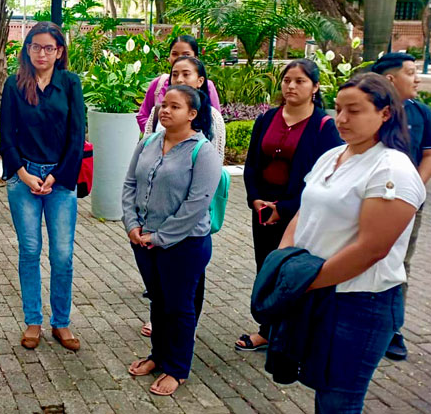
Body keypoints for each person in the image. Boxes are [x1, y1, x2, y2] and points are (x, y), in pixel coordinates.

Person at [278, 73, 424, 412]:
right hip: (319, 291)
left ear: (385, 113)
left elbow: (372, 249)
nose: (341, 119)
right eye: (339, 109)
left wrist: (303, 281)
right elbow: (304, 211)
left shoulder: (392, 170)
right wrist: (283, 261)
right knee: (322, 386)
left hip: (360, 303)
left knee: (339, 399)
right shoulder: (333, 156)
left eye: (354, 111)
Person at [235, 59, 342, 351]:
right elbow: (252, 164)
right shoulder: (267, 119)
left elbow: (326, 178)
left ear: (315, 87)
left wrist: (285, 208)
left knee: (294, 271)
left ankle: (292, 332)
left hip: (301, 211)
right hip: (263, 208)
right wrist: (255, 198)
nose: (291, 86)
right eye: (287, 80)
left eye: (300, 81)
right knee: (267, 267)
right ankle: (268, 330)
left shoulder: (324, 127)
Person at [123, 85, 222, 396]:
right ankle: (158, 355)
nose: (164, 110)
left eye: (174, 107)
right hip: (143, 239)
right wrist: (132, 224)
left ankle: (177, 368)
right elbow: (129, 183)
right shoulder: (149, 141)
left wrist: (161, 237)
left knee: (179, 306)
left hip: (184, 244)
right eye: (163, 105)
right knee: (158, 299)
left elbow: (197, 203)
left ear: (192, 114)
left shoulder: (202, 151)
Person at [0, 21, 85, 351]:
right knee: (30, 250)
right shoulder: (14, 84)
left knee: (62, 255)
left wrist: (56, 176)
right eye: (36, 46)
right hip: (24, 180)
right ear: (27, 48)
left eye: (49, 48)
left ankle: (61, 323)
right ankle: (33, 321)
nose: (42, 53)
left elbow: (77, 137)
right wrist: (22, 173)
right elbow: (7, 135)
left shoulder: (70, 84)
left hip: (60, 181)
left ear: (59, 51)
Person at [138, 55, 226, 338]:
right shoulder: (158, 117)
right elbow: (143, 163)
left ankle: (180, 343)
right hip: (153, 219)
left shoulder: (210, 120)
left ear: (200, 80)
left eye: (186, 74)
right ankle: (162, 343)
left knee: (185, 290)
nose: (179, 79)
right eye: (174, 74)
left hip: (189, 223)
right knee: (161, 293)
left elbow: (207, 179)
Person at [371, 52, 431, 360]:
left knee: (399, 263)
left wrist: (414, 193)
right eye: (411, 73)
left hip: (408, 204)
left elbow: (430, 156)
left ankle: (393, 328)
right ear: (391, 79)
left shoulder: (422, 113)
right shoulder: (369, 112)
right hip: (368, 200)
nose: (417, 78)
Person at [136, 35, 221, 134]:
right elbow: (143, 115)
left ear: (196, 58)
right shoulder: (158, 84)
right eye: (175, 54)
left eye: (186, 54)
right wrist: (159, 132)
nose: (180, 58)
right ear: (169, 57)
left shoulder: (208, 86)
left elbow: (215, 124)